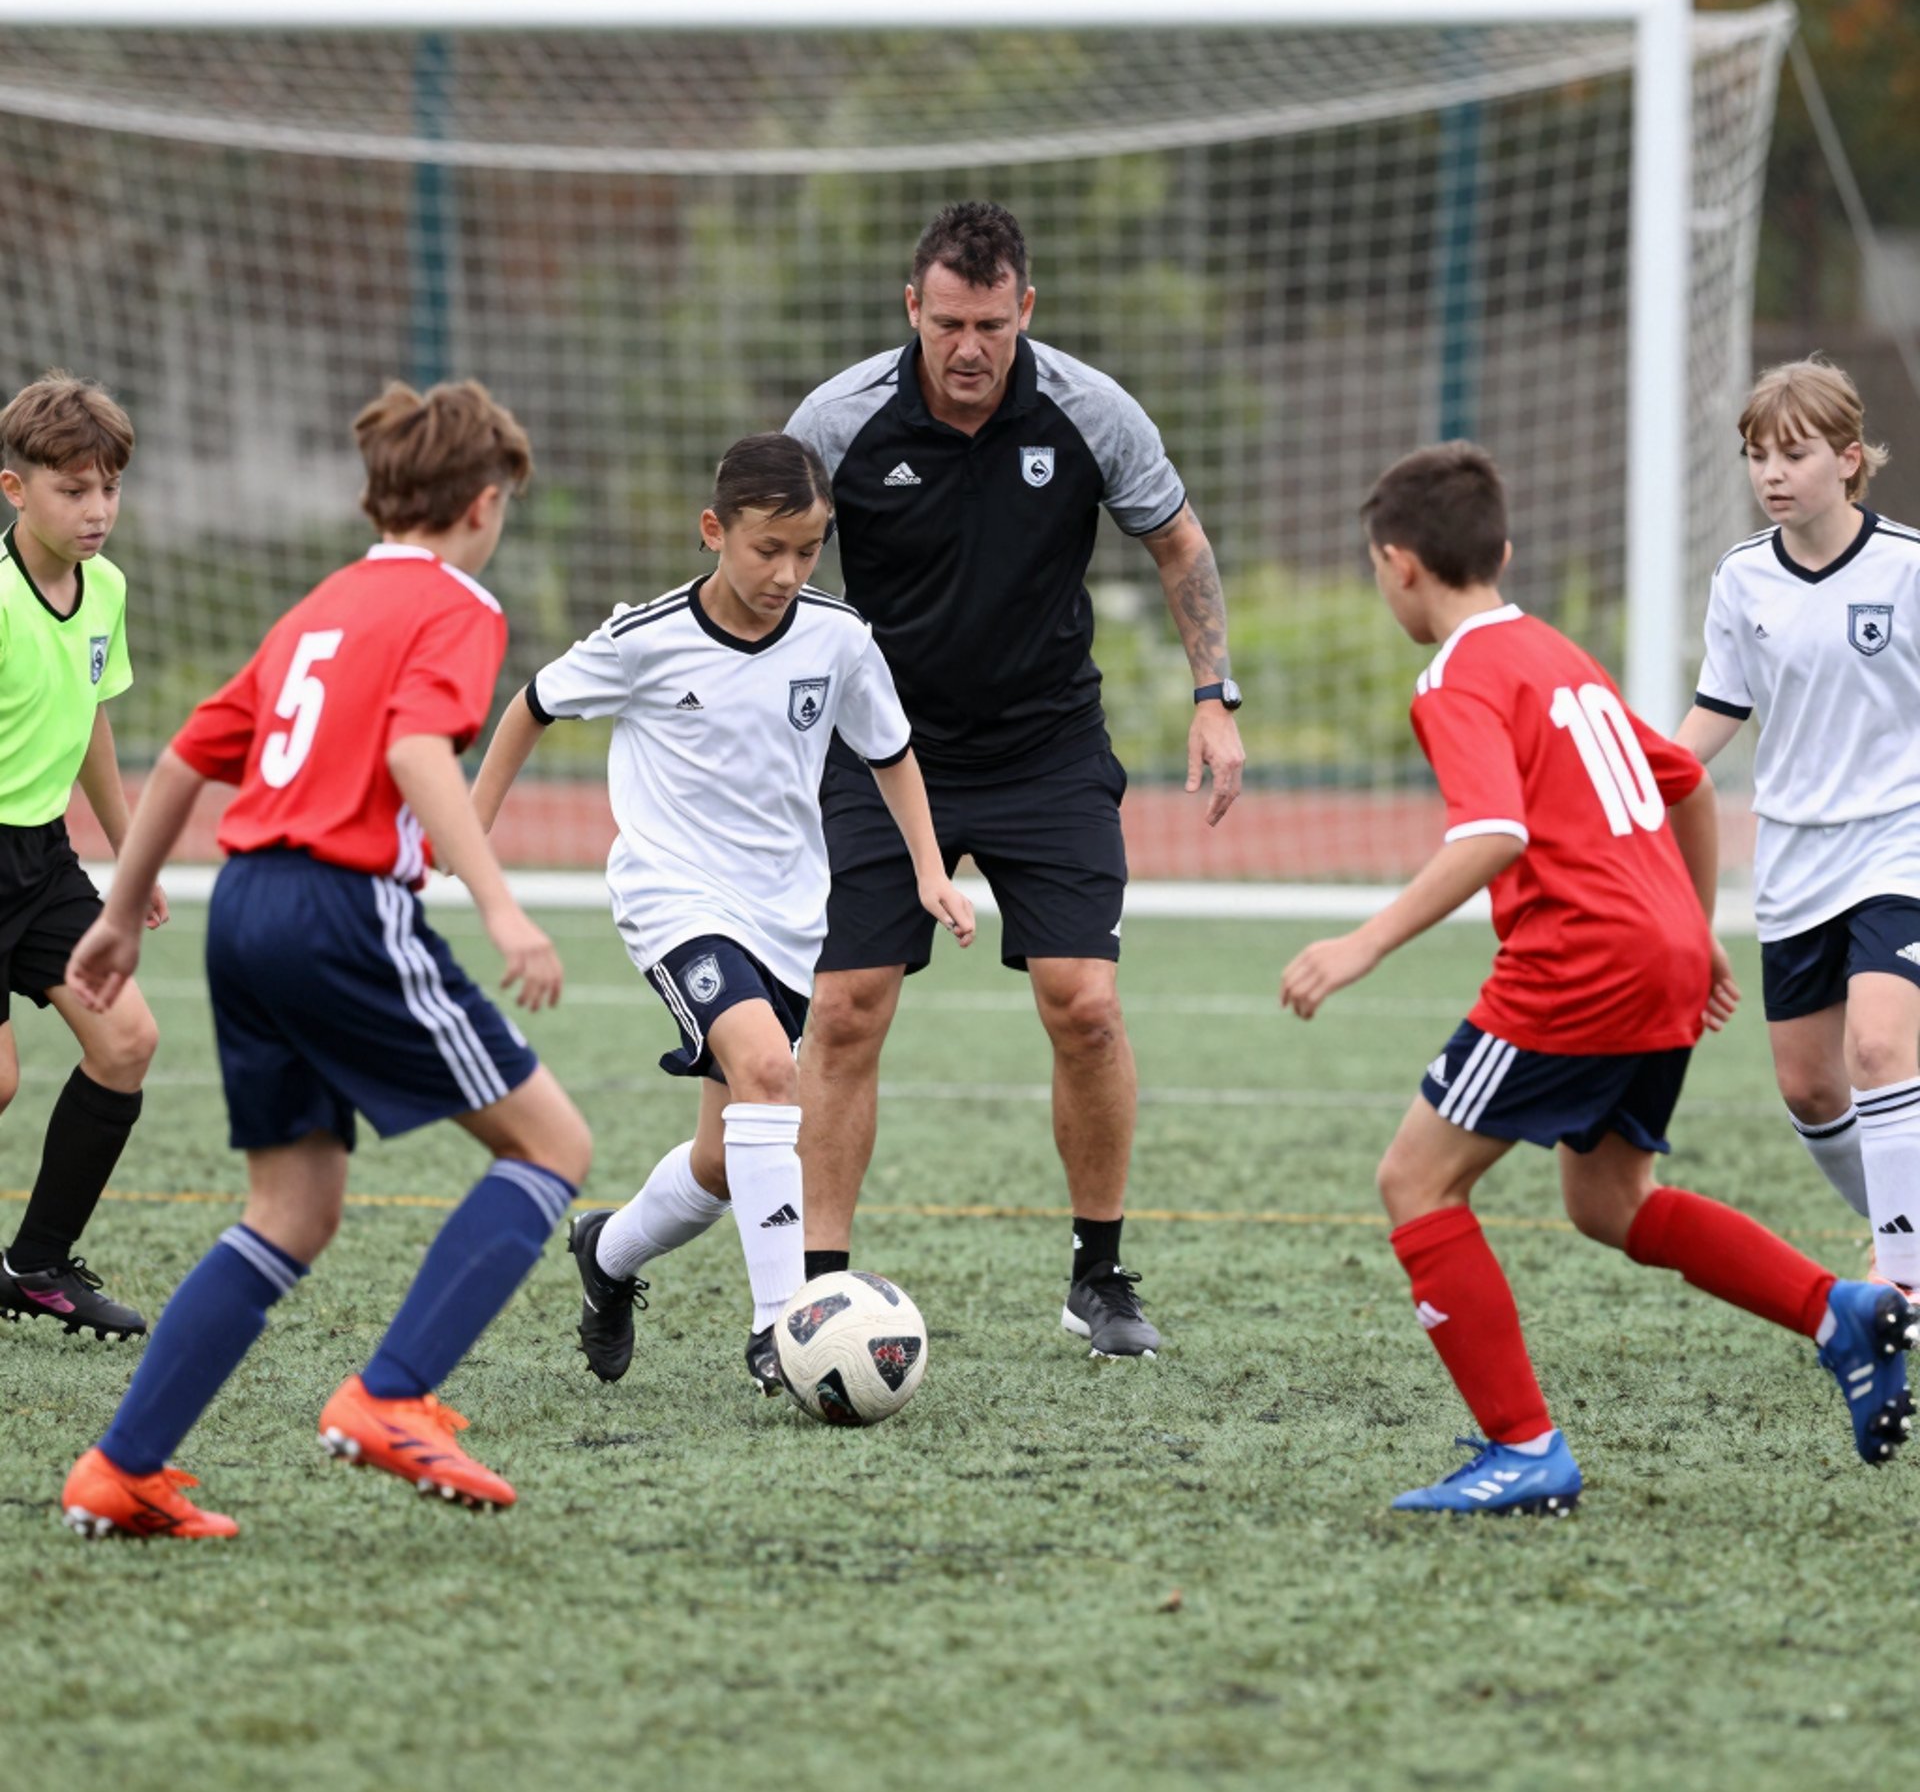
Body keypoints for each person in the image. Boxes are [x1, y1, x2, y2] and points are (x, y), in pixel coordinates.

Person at [1279, 440, 1914, 1515]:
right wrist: (1695, 925)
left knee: (1415, 1182)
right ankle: (1838, 1312)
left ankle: (1524, 1449)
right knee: (1608, 1200)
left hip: (1581, 963)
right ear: (1505, 552)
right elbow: (1688, 789)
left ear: (1395, 566)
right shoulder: (1556, 653)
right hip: (1658, 950)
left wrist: (1364, 943)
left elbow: (1490, 833)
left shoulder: (1459, 677)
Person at [57, 380, 593, 1539]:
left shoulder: (321, 606)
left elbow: (195, 755)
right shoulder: (458, 603)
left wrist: (121, 906)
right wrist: (503, 910)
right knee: (554, 1144)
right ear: (484, 504)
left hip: (242, 909)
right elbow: (415, 749)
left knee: (291, 1208)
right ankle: (391, 1395)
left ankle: (123, 1466)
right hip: (338, 907)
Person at [785, 200, 1245, 1360]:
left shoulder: (1093, 412)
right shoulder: (839, 423)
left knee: (1085, 1006)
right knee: (842, 1013)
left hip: (1046, 747)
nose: (970, 347)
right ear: (912, 310)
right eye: (948, 323)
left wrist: (1213, 698)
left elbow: (1179, 542)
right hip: (884, 755)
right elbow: (769, 564)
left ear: (1026, 309)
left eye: (991, 322)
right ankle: (814, 1293)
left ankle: (1099, 1276)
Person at [471, 432, 972, 1394]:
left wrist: (928, 872)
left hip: (786, 914)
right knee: (770, 1069)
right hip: (671, 894)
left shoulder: (839, 639)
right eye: (765, 549)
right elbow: (532, 703)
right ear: (714, 532)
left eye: (807, 549)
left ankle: (608, 1255)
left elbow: (891, 751)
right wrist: (473, 827)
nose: (787, 572)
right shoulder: (647, 636)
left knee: (724, 1154)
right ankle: (780, 1327)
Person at [1674, 360, 1916, 1279]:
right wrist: (1643, 773)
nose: (1772, 473)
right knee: (1812, 1089)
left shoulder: (1907, 569)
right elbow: (1718, 710)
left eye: (1794, 454)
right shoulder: (1742, 579)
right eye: (1755, 455)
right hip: (1794, 857)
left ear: (1849, 459)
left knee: (1879, 1046)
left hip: (1902, 842)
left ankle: (1904, 1278)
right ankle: (1911, 1220)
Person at [0, 372, 162, 1342]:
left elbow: (91, 717)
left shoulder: (106, 589)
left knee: (127, 1041)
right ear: (15, 490)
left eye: (108, 488)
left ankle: (37, 1265)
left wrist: (129, 855)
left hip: (43, 861)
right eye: (73, 490)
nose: (97, 511)